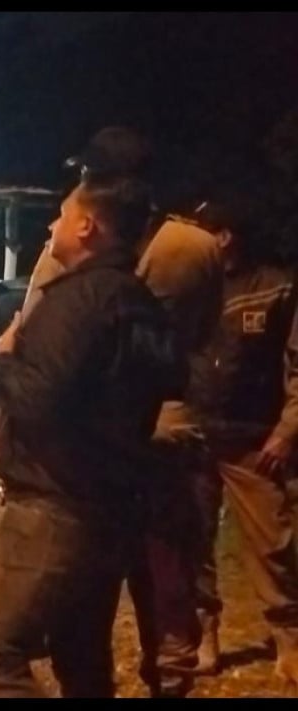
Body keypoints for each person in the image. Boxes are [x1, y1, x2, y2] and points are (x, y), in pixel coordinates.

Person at [6, 126, 219, 697]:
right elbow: (203, 337)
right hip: (171, 421)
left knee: (88, 590)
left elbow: (34, 335)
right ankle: (171, 669)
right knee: (166, 571)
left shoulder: (82, 251)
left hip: (95, 443)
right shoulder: (197, 244)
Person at [0, 176, 183, 697]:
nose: (51, 227)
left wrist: (3, 360)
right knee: (81, 658)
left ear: (87, 226)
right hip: (110, 507)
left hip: (54, 506)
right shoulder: (139, 301)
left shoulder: (78, 299)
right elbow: (173, 378)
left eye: (61, 215)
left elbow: (38, 399)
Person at [186, 194, 298, 684]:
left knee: (274, 544)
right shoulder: (190, 289)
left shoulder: (278, 287)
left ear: (225, 236)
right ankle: (203, 635)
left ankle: (289, 638)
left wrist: (288, 431)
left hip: (256, 441)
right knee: (193, 542)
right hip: (194, 436)